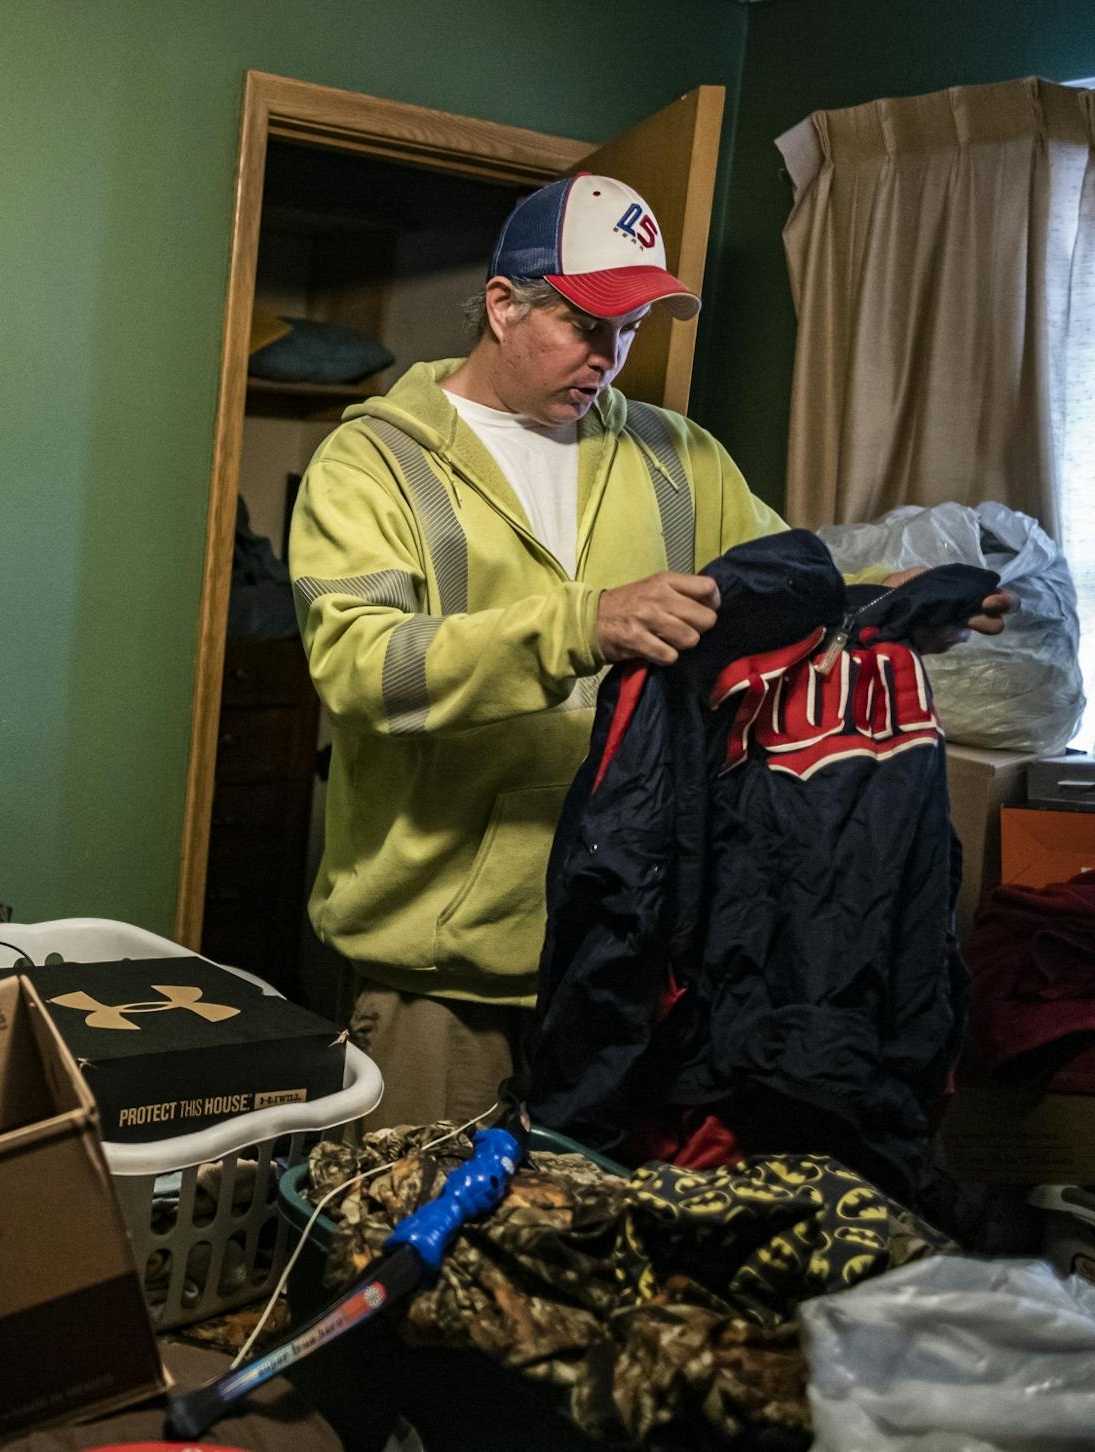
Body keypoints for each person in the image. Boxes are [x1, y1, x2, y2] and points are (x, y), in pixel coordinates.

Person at [287, 172, 1013, 1131]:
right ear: (502, 305)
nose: (609, 358)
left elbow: (778, 599)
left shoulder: (683, 458)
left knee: (595, 1258)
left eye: (629, 330)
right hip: (444, 977)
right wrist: (581, 623)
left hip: (634, 957)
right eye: (586, 324)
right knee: (418, 1249)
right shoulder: (372, 463)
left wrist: (888, 609)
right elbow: (362, 668)